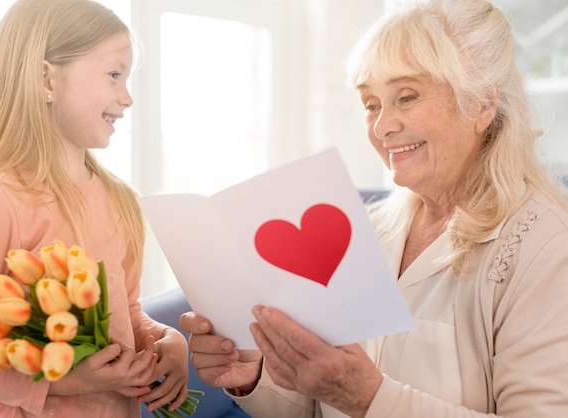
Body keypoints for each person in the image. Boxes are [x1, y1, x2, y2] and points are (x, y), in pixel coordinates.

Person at [180, 0, 568, 416]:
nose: (382, 127)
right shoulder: (367, 226)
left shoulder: (546, 246)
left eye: (407, 96)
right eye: (371, 104)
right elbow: (315, 406)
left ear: (482, 105)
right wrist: (255, 372)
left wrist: (367, 396)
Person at [0, 0, 189, 417]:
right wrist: (67, 381)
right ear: (46, 78)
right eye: (114, 75)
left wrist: (167, 341)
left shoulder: (120, 201)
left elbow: (125, 313)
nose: (127, 98)